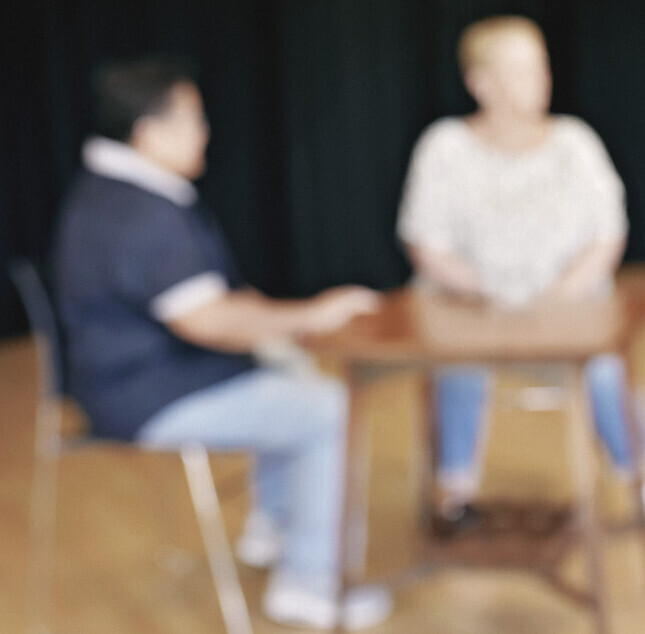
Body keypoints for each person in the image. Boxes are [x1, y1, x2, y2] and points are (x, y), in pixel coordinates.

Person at [52, 55, 390, 630]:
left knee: (291, 366)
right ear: (149, 133)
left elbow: (217, 299)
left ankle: (277, 521)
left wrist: (287, 324)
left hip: (146, 373)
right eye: (194, 120)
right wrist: (312, 314)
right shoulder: (136, 214)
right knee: (328, 409)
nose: (205, 132)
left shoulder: (120, 188)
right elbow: (206, 320)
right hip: (144, 394)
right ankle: (309, 584)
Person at [396, 15, 645, 548]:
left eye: (541, 67)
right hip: (472, 311)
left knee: (604, 363)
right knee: (454, 358)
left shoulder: (574, 143)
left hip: (566, 311)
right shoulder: (445, 148)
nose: (541, 80)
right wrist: (482, 293)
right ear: (481, 82)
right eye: (523, 70)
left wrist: (561, 296)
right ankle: (453, 495)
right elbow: (425, 243)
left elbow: (607, 233)